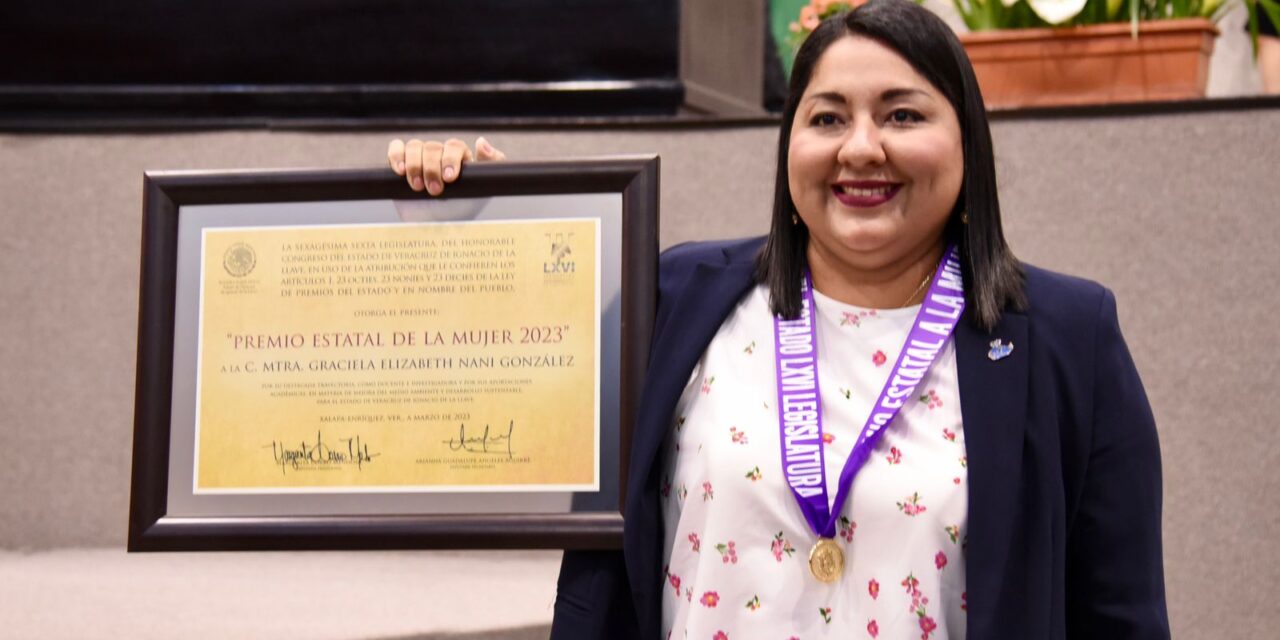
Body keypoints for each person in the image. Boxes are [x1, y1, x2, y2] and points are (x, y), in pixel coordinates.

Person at [388, 1, 1168, 637]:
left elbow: (1120, 617)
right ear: (788, 143)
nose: (861, 148)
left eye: (902, 115)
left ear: (968, 145)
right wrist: (473, 224)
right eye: (827, 119)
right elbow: (500, 395)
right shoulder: (673, 300)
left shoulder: (1068, 338)